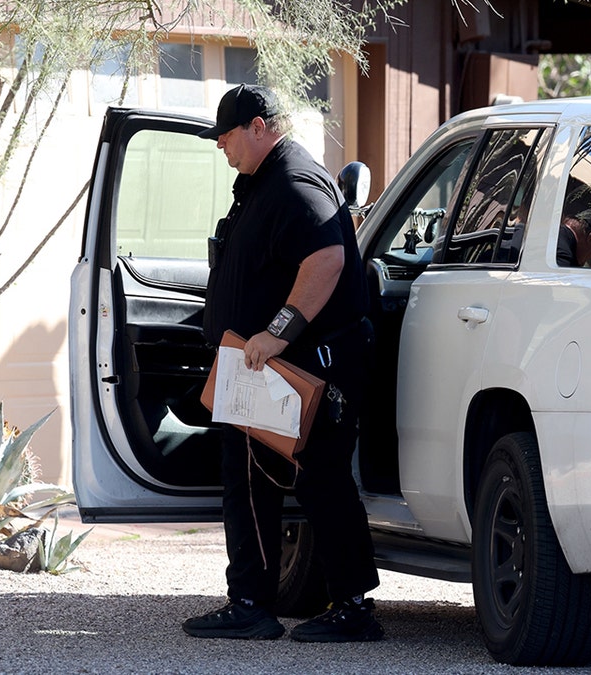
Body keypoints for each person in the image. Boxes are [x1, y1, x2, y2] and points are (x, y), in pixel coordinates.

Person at [183, 84, 382, 643]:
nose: (220, 145)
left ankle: (351, 609)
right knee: (249, 479)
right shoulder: (264, 181)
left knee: (322, 481)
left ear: (258, 127)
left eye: (226, 135)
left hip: (308, 368)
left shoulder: (293, 182)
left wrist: (276, 332)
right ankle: (251, 602)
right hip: (267, 372)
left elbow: (327, 259)